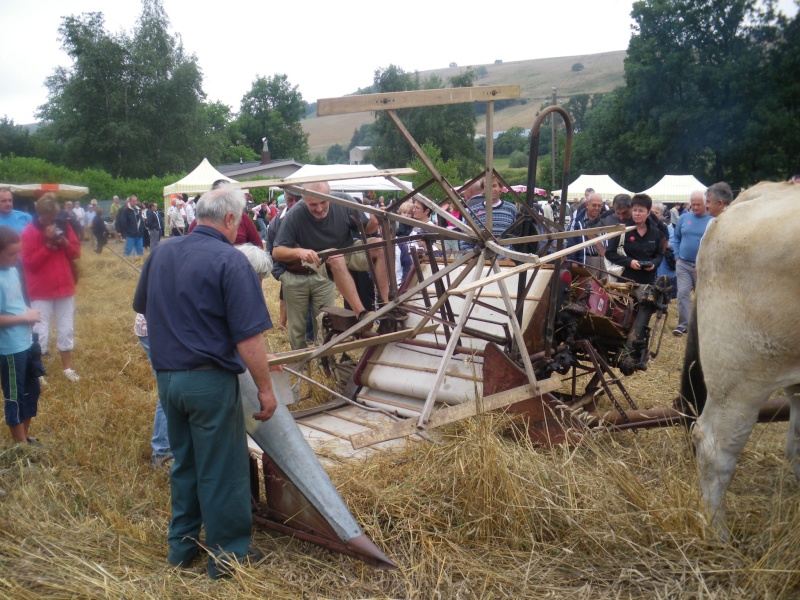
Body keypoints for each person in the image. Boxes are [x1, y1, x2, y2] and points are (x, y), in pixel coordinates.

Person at [132, 185, 279, 578]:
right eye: (239, 221)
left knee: (186, 465)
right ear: (230, 220)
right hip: (209, 382)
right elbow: (249, 338)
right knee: (223, 469)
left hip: (168, 380)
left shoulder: (161, 251)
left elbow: (145, 307)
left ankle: (181, 547)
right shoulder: (230, 262)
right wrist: (265, 389)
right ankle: (228, 557)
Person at [272, 182, 397, 348]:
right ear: (304, 201)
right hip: (319, 258)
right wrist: (299, 252)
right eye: (313, 205)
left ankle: (386, 303)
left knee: (380, 245)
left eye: (323, 203)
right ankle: (362, 313)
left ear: (330, 196)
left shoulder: (344, 201)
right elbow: (276, 251)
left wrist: (375, 222)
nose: (319, 209)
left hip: (346, 248)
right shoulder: (295, 214)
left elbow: (367, 230)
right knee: (335, 256)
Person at [21, 194, 81, 382]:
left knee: (66, 328)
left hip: (64, 286)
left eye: (54, 216)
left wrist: (63, 242)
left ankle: (67, 369)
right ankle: (38, 372)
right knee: (40, 331)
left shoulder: (63, 225)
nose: (52, 221)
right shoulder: (28, 232)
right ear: (39, 214)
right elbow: (29, 264)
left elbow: (76, 252)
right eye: (48, 217)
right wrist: (47, 245)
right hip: (41, 290)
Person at [0, 226, 43, 444]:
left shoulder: (13, 270)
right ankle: (19, 445)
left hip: (26, 342)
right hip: (9, 348)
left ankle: (25, 437)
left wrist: (29, 312)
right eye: (11, 254)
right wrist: (24, 318)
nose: (17, 258)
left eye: (18, 252)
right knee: (15, 397)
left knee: (32, 391)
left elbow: (16, 304)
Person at [672, 191, 712, 336]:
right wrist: (677, 257)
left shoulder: (712, 220)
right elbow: (676, 238)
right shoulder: (683, 218)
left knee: (702, 296)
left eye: (698, 204)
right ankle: (683, 325)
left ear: (705, 203)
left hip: (703, 266)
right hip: (683, 264)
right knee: (682, 293)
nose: (694, 207)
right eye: (693, 204)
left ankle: (703, 325)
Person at [605, 193, 663, 285]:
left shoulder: (655, 232)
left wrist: (654, 264)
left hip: (648, 282)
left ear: (648, 212)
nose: (637, 214)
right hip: (626, 282)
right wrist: (629, 262)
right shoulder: (622, 230)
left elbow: (659, 255)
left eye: (641, 211)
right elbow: (609, 254)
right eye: (634, 210)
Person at [459, 176, 518, 254]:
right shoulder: (474, 210)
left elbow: (518, 235)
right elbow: (465, 236)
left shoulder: (511, 209)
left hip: (506, 260)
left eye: (494, 186)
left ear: (500, 188)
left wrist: (511, 257)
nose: (491, 190)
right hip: (479, 259)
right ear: (483, 190)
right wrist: (471, 255)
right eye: (487, 186)